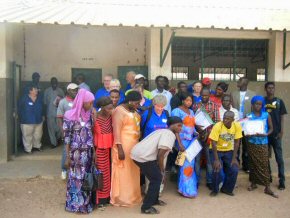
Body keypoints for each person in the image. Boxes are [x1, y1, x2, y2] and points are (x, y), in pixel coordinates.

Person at [131, 116, 183, 214]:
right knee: (157, 178)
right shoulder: (169, 135)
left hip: (139, 154)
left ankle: (154, 200)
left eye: (181, 126)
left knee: (156, 178)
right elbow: (160, 155)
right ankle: (146, 207)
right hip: (143, 157)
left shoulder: (164, 131)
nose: (181, 128)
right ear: (172, 125)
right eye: (179, 126)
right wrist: (162, 170)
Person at [63, 89, 95, 213]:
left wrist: (94, 152)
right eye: (89, 103)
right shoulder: (69, 116)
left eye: (92, 103)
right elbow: (66, 138)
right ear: (82, 102)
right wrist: (67, 157)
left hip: (87, 153)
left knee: (86, 178)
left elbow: (91, 134)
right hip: (75, 154)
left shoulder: (89, 116)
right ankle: (74, 205)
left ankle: (85, 205)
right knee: (76, 179)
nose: (91, 105)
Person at [110, 91, 142, 207]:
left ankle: (133, 196)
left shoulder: (133, 110)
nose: (138, 105)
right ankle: (122, 198)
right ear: (130, 101)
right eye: (137, 103)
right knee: (124, 172)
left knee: (133, 171)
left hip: (134, 145)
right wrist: (120, 148)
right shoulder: (119, 111)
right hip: (123, 145)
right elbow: (116, 131)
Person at [246, 96, 278, 198]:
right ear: (252, 104)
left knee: (264, 164)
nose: (257, 106)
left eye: (260, 104)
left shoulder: (266, 115)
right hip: (251, 142)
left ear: (262, 105)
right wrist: (248, 134)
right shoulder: (249, 116)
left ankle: (267, 187)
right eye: (256, 104)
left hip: (263, 143)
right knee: (253, 163)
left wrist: (266, 134)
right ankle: (253, 183)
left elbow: (271, 129)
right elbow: (246, 131)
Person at [209, 111, 242, 196]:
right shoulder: (218, 126)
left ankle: (227, 189)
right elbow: (213, 143)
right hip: (216, 151)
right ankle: (215, 190)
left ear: (233, 119)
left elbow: (237, 142)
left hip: (229, 150)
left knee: (234, 169)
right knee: (217, 169)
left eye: (227, 118)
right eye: (224, 118)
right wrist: (216, 160)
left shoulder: (237, 126)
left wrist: (234, 158)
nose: (225, 120)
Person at [171, 92, 198, 198]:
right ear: (182, 100)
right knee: (185, 164)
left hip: (191, 142)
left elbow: (192, 126)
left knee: (186, 164)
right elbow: (175, 128)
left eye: (191, 101)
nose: (189, 102)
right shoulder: (176, 111)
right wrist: (179, 143)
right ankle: (186, 190)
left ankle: (183, 187)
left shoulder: (191, 111)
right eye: (187, 100)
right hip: (181, 142)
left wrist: (196, 132)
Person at [193, 87, 220, 190]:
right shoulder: (196, 105)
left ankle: (209, 181)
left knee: (209, 160)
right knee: (197, 160)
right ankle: (196, 181)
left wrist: (208, 133)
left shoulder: (214, 106)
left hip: (209, 137)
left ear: (209, 95)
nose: (204, 97)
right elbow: (194, 120)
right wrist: (199, 131)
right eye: (202, 95)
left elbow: (217, 122)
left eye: (206, 95)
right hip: (198, 136)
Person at [264, 82, 287, 190]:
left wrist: (282, 131)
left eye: (273, 88)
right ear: (265, 89)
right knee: (265, 157)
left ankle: (282, 181)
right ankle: (268, 177)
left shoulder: (279, 101)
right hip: (265, 134)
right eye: (269, 88)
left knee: (279, 158)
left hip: (276, 134)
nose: (271, 90)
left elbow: (282, 117)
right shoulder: (262, 101)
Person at [231, 77, 255, 172]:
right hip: (236, 123)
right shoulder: (233, 93)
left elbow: (253, 109)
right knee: (236, 144)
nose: (238, 82)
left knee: (246, 145)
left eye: (239, 81)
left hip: (247, 123)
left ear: (245, 82)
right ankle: (236, 163)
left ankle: (246, 165)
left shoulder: (252, 94)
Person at [93, 97, 114, 207]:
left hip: (111, 148)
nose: (111, 110)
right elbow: (91, 135)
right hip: (100, 149)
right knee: (102, 174)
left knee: (110, 173)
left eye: (112, 108)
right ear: (102, 108)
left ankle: (107, 197)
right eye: (108, 108)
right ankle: (100, 199)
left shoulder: (111, 117)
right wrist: (93, 151)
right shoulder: (95, 118)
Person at [57, 83, 79, 180]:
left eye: (76, 90)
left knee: (76, 150)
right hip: (67, 130)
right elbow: (59, 118)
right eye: (73, 90)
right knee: (66, 151)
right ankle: (64, 170)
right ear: (68, 91)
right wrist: (62, 131)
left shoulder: (79, 101)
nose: (75, 92)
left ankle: (74, 170)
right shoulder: (63, 102)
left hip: (78, 130)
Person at [18, 86, 44, 153]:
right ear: (30, 91)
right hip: (27, 121)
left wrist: (43, 115)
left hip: (38, 120)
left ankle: (36, 146)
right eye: (35, 89)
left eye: (37, 89)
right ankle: (28, 149)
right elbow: (19, 107)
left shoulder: (39, 98)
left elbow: (43, 107)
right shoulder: (24, 98)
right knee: (27, 136)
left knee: (38, 135)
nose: (37, 90)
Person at [44, 77, 65, 148]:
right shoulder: (47, 91)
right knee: (51, 128)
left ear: (57, 83)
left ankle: (58, 138)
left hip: (59, 113)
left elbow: (64, 102)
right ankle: (53, 143)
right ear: (51, 83)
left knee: (59, 128)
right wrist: (44, 114)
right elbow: (45, 103)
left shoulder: (60, 91)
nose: (54, 84)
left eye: (55, 82)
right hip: (50, 113)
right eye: (53, 82)